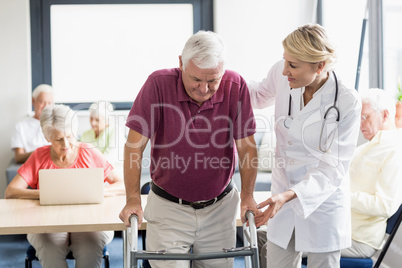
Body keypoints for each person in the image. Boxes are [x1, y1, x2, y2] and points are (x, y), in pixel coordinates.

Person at [119, 30, 260, 268]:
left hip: (220, 207)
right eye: (196, 79)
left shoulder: (235, 85)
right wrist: (133, 199)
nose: (204, 89)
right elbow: (134, 146)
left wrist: (247, 195)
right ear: (180, 64)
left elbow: (247, 148)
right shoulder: (158, 84)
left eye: (212, 80)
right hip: (168, 208)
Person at [248, 24, 361, 267]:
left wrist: (290, 196)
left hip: (322, 202)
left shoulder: (346, 101)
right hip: (282, 194)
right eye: (285, 61)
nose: (285, 71)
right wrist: (220, 80)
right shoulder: (283, 71)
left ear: (320, 66)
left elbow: (333, 168)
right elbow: (257, 95)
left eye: (293, 66)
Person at [5, 104, 124, 268]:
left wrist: (100, 191)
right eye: (58, 139)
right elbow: (11, 192)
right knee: (50, 251)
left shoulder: (89, 151)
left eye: (70, 136)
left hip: (89, 221)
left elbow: (122, 184)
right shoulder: (39, 156)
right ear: (47, 138)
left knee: (89, 251)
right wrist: (45, 194)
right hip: (48, 222)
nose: (66, 144)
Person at [341, 88, 402, 258]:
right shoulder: (364, 148)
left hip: (358, 240)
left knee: (283, 246)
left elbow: (385, 206)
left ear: (385, 115)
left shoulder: (394, 151)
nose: (359, 124)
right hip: (339, 230)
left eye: (365, 117)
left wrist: (341, 196)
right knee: (269, 238)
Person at [11, 84, 54, 163]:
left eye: (49, 103)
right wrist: (39, 152)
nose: (46, 107)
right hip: (31, 164)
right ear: (33, 101)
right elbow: (18, 157)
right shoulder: (21, 126)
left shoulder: (57, 125)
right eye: (42, 102)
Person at [80, 101, 118, 166]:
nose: (93, 123)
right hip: (89, 170)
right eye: (91, 119)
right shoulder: (85, 134)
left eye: (97, 120)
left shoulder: (114, 131)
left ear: (107, 120)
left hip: (110, 171)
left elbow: (110, 158)